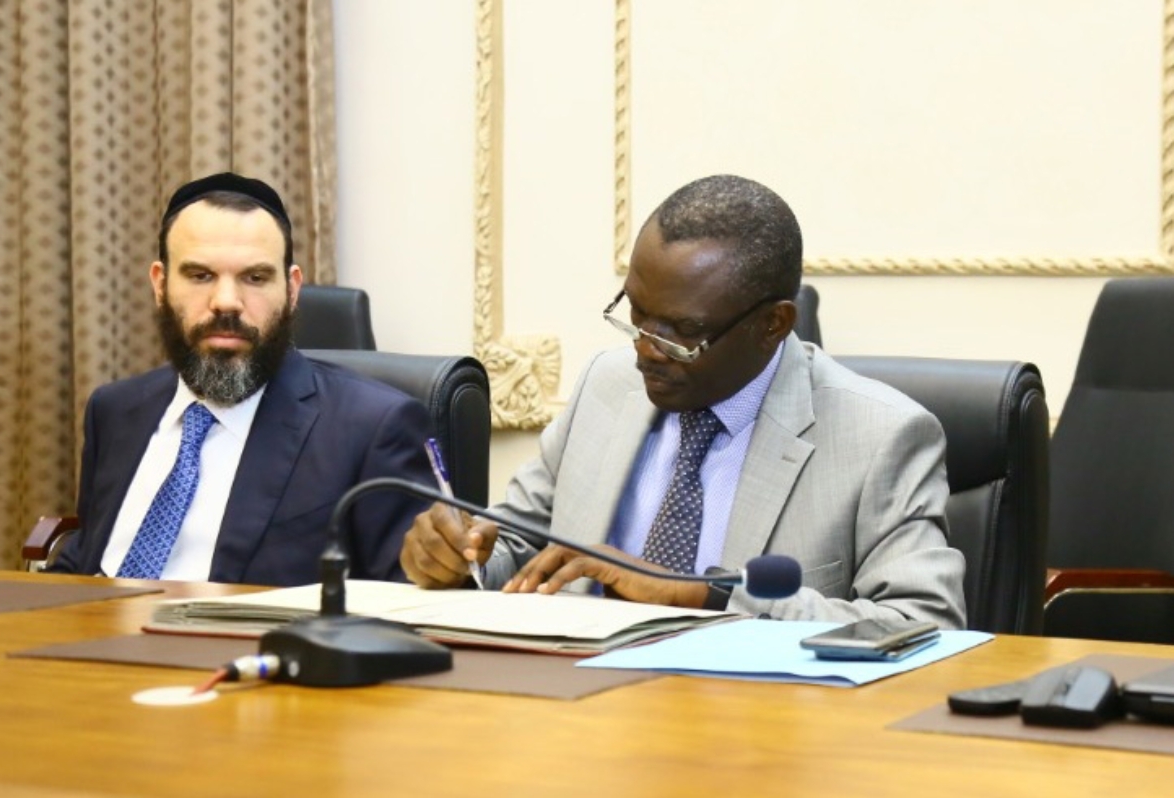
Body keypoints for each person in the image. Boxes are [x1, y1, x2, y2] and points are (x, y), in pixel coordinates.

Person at [402, 174, 966, 628]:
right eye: (636, 314)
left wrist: (704, 595)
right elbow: (523, 547)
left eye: (679, 334)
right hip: (583, 712)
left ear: (773, 324)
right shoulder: (608, 383)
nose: (646, 350)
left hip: (757, 735)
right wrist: (461, 558)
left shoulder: (880, 437)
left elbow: (925, 624)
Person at [50, 172, 434, 585]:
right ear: (160, 285)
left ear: (291, 289)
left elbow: (413, 606)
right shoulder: (115, 410)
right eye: (200, 276)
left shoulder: (372, 428)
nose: (226, 302)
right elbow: (88, 560)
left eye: (255, 278)